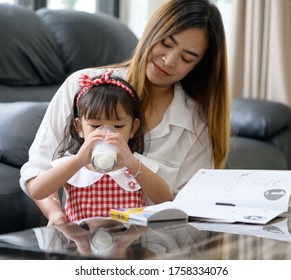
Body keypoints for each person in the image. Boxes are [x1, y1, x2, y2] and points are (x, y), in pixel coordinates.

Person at [20, 0, 231, 226]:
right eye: (166, 43)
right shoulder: (82, 87)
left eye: (186, 58)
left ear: (197, 65)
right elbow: (37, 170)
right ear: (152, 31)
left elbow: (189, 204)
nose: (169, 61)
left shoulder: (194, 123)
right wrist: (56, 215)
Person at [27, 70, 172, 222]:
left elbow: (166, 200)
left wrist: (132, 164)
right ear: (79, 127)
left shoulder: (137, 165)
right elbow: (37, 191)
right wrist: (78, 161)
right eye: (96, 126)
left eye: (118, 125)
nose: (107, 133)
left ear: (133, 128)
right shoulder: (72, 165)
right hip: (80, 242)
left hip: (130, 243)